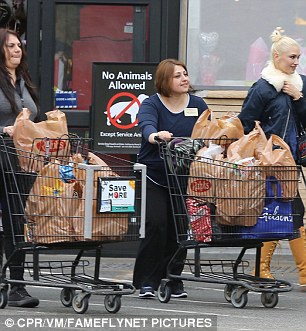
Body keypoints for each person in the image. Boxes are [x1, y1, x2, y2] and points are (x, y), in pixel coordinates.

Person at [133, 58, 208, 298]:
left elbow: (208, 130)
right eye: (177, 76)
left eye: (185, 74)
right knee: (156, 225)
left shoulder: (198, 104)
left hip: (184, 177)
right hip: (154, 174)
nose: (184, 78)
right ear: (164, 80)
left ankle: (173, 279)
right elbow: (146, 126)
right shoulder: (152, 104)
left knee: (179, 228)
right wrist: (155, 135)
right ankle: (147, 281)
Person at [238, 27, 306, 288]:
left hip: (289, 162)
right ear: (276, 57)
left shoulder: (300, 84)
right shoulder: (264, 88)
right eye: (291, 57)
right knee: (276, 213)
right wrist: (261, 149)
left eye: (298, 57)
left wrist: (298, 98)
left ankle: (303, 274)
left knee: (293, 214)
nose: (296, 62)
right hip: (267, 163)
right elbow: (246, 123)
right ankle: (261, 268)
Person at [0, 28, 40, 307]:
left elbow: (33, 114)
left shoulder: (22, 80)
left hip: (22, 159)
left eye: (19, 45)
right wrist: (4, 129)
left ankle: (16, 285)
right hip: (1, 152)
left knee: (16, 219)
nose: (17, 50)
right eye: (11, 45)